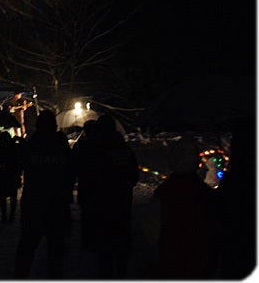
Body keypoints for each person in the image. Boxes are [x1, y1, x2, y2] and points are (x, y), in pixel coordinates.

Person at [73, 115, 139, 279]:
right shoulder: (125, 149)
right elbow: (133, 176)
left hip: (103, 207)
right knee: (122, 249)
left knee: (106, 252)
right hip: (122, 205)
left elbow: (90, 176)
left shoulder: (96, 151)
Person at [13, 110, 72, 278]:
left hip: (34, 203)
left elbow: (20, 165)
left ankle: (21, 276)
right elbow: (71, 173)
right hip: (56, 204)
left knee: (28, 245)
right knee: (56, 248)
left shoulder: (31, 145)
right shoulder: (61, 147)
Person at [153, 135, 218, 279]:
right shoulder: (205, 193)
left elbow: (152, 231)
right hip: (201, 260)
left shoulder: (164, 193)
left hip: (171, 258)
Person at [0, 131, 22, 222]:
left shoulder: (0, 148)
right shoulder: (15, 148)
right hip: (13, 173)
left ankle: (4, 216)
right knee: (13, 196)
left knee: (2, 197)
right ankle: (11, 216)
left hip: (4, 174)